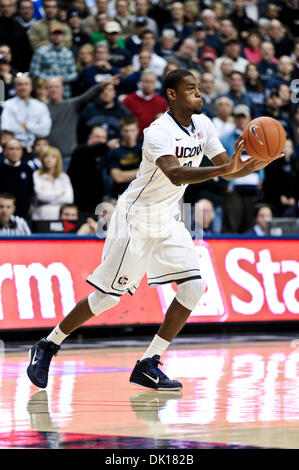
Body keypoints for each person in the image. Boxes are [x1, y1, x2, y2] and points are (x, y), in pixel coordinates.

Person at [26, 68, 283, 391]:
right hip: (136, 219)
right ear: (172, 95)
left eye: (199, 88)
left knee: (194, 288)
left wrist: (257, 162)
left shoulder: (203, 125)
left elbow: (229, 171)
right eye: (191, 89)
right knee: (107, 298)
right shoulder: (157, 131)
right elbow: (176, 174)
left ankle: (149, 362)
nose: (199, 94)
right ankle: (48, 344)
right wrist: (224, 168)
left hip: (169, 218)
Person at [1, 74, 52, 153]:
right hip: (14, 149)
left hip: (35, 148)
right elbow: (6, 128)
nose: (23, 87)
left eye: (26, 84)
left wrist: (27, 126)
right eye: (20, 84)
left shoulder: (41, 106)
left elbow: (45, 131)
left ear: (31, 87)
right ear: (15, 87)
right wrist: (34, 128)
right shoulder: (8, 105)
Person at [29, 23, 77, 99]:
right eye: (54, 34)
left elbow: (74, 74)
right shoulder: (41, 52)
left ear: (63, 36)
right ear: (49, 36)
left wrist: (64, 78)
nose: (57, 36)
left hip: (64, 95)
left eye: (59, 34)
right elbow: (33, 72)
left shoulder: (68, 53)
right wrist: (50, 79)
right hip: (45, 94)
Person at [31, 146, 74, 220]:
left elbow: (69, 199)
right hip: (40, 216)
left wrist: (48, 197)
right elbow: (40, 196)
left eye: (53, 157)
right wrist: (59, 194)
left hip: (60, 216)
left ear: (58, 160)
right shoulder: (36, 174)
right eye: (46, 157)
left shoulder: (64, 177)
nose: (49, 160)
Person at [122, 70, 168, 137]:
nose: (148, 85)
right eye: (146, 81)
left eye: (151, 82)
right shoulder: (128, 100)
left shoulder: (162, 102)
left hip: (154, 139)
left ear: (155, 84)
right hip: (134, 139)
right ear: (141, 82)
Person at [106, 116, 142, 198]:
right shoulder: (114, 152)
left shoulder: (144, 149)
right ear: (121, 132)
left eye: (132, 130)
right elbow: (118, 177)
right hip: (120, 195)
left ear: (137, 131)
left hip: (140, 194)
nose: (129, 134)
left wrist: (124, 174)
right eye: (126, 131)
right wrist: (143, 171)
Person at [0, 139, 34, 219]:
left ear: (21, 151)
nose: (15, 152)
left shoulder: (27, 168)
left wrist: (31, 204)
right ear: (4, 151)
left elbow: (30, 188)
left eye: (17, 149)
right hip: (3, 212)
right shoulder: (0, 168)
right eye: (11, 149)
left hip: (23, 212)